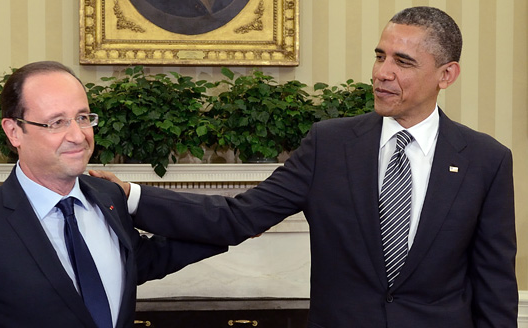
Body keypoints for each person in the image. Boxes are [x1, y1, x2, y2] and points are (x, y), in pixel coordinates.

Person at [92, 6, 518, 328]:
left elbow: (494, 285)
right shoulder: (331, 145)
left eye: (403, 62)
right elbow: (238, 217)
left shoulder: (486, 160)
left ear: (447, 74)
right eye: (380, 56)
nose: (382, 73)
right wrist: (133, 196)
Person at [0, 61, 226, 328]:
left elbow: (144, 259)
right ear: (14, 131)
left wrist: (231, 225)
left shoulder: (108, 195)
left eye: (82, 117)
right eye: (57, 122)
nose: (78, 135)